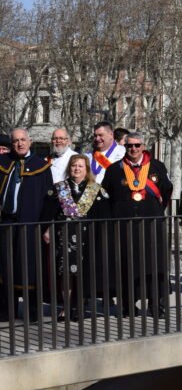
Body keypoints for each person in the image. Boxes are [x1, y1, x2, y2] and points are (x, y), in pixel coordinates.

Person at [101, 132, 172, 318]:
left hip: (151, 226)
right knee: (126, 266)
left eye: (137, 145)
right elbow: (105, 196)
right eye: (130, 145)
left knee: (154, 266)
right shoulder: (115, 169)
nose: (133, 149)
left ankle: (157, 305)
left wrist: (155, 210)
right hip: (124, 228)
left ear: (144, 146)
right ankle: (127, 305)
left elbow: (167, 192)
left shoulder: (156, 166)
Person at [42, 155, 111, 321]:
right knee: (66, 273)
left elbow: (105, 217)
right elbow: (48, 213)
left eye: (80, 166)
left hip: (88, 238)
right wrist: (48, 230)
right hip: (63, 238)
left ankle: (80, 306)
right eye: (73, 166)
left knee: (84, 273)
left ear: (86, 169)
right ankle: (66, 307)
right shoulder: (59, 189)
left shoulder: (95, 190)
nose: (76, 169)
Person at [0, 128, 53, 321]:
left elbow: (50, 199)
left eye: (23, 140)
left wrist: (45, 225)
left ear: (30, 142)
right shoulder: (3, 163)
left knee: (28, 266)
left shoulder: (41, 166)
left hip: (31, 225)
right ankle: (6, 311)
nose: (20, 144)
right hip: (6, 223)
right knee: (5, 266)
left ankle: (31, 311)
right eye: (15, 141)